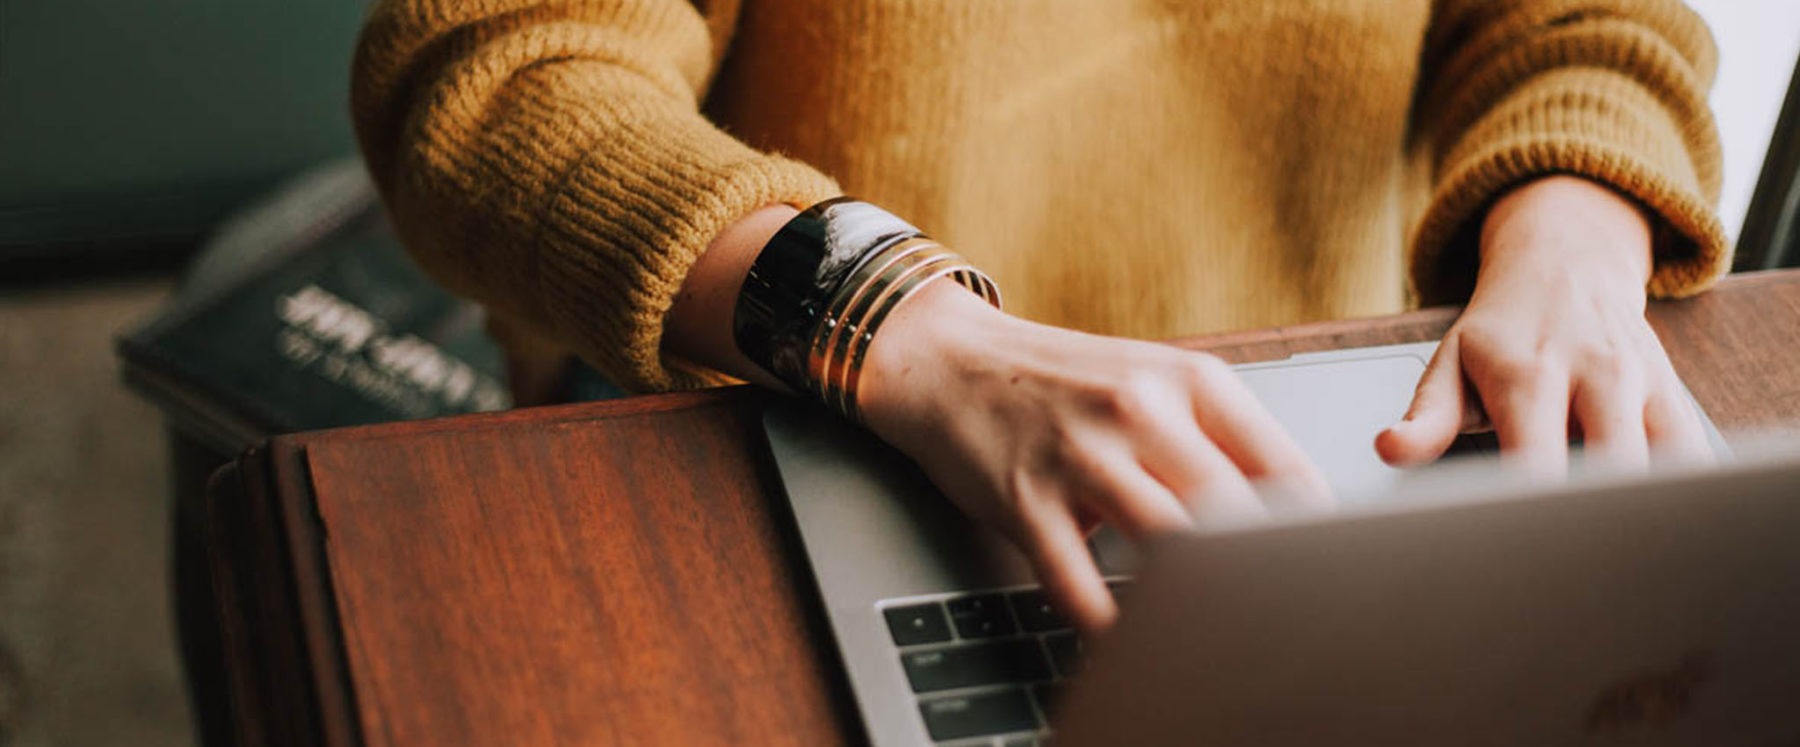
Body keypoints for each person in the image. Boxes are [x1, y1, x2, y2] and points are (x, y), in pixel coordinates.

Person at [352, 0, 1726, 632]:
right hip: (799, 422)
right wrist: (905, 325)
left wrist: (1574, 230)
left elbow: (1590, 19)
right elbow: (492, 72)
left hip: (1318, 459)